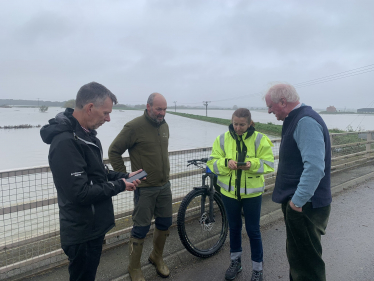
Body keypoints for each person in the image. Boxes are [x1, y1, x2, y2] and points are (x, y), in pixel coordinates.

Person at [40, 82, 143, 281]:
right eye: (105, 113)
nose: (108, 118)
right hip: (81, 232)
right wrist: (120, 185)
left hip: (93, 226)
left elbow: (98, 174)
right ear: (89, 108)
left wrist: (124, 176)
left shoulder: (86, 137)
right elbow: (80, 193)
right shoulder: (65, 143)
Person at [265, 84, 332, 281]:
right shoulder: (298, 119)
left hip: (305, 207)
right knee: (299, 259)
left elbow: (314, 168)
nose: (269, 111)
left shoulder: (305, 121)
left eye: (270, 106)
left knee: (307, 267)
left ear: (283, 102)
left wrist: (296, 203)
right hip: (303, 205)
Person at [108, 93, 172, 281]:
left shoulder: (165, 125)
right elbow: (114, 151)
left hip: (164, 186)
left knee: (165, 224)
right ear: (148, 106)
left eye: (165, 109)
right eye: (159, 109)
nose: (162, 113)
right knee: (141, 229)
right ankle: (134, 267)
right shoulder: (134, 127)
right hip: (145, 188)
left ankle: (156, 257)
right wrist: (125, 176)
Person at [207, 108, 274, 281]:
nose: (237, 128)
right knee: (234, 229)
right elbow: (212, 162)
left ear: (250, 123)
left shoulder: (260, 139)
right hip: (229, 194)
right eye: (235, 124)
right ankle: (235, 263)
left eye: (242, 125)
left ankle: (257, 269)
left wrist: (251, 164)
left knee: (253, 231)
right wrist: (225, 163)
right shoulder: (221, 139)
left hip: (252, 195)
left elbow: (268, 164)